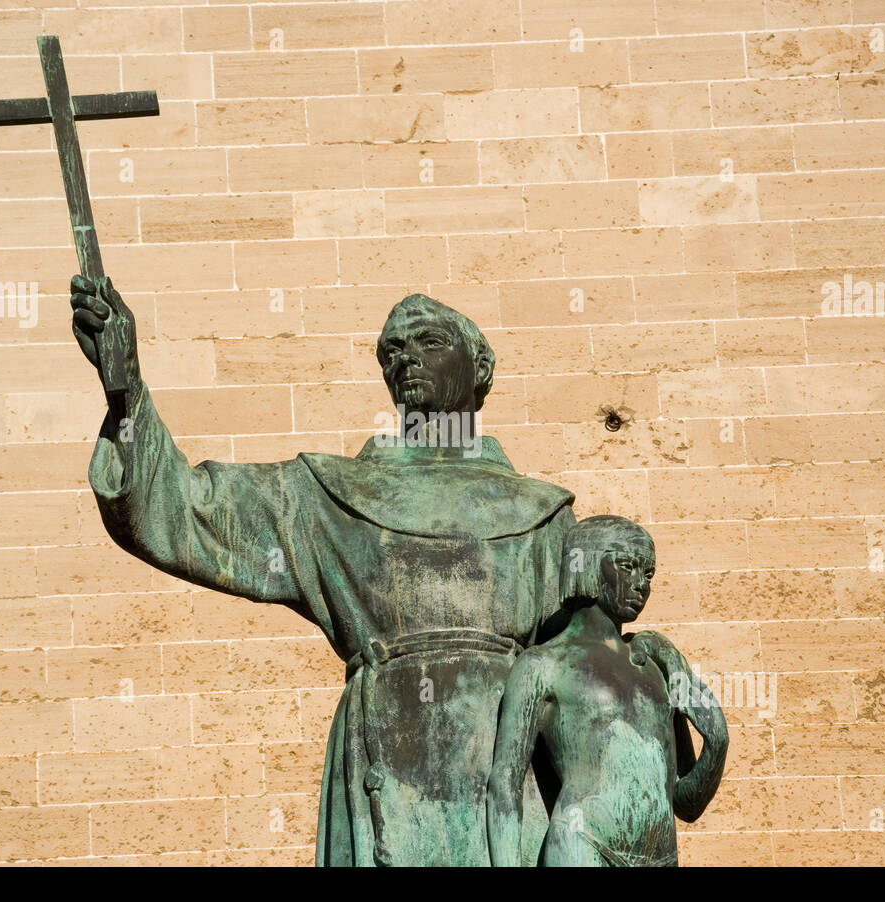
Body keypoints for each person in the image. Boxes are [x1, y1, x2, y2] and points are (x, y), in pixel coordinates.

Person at [71, 277, 573, 865]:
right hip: (388, 765)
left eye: (429, 341)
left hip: (508, 779)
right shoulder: (327, 498)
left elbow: (589, 669)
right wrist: (125, 387)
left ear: (480, 366)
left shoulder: (544, 516)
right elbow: (182, 510)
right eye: (391, 351)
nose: (406, 359)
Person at [487, 515, 727, 866]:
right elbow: (505, 784)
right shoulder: (543, 665)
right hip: (583, 845)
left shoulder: (655, 668)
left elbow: (686, 805)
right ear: (586, 565)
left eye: (648, 574)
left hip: (661, 858)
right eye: (627, 566)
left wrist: (717, 741)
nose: (641, 584)